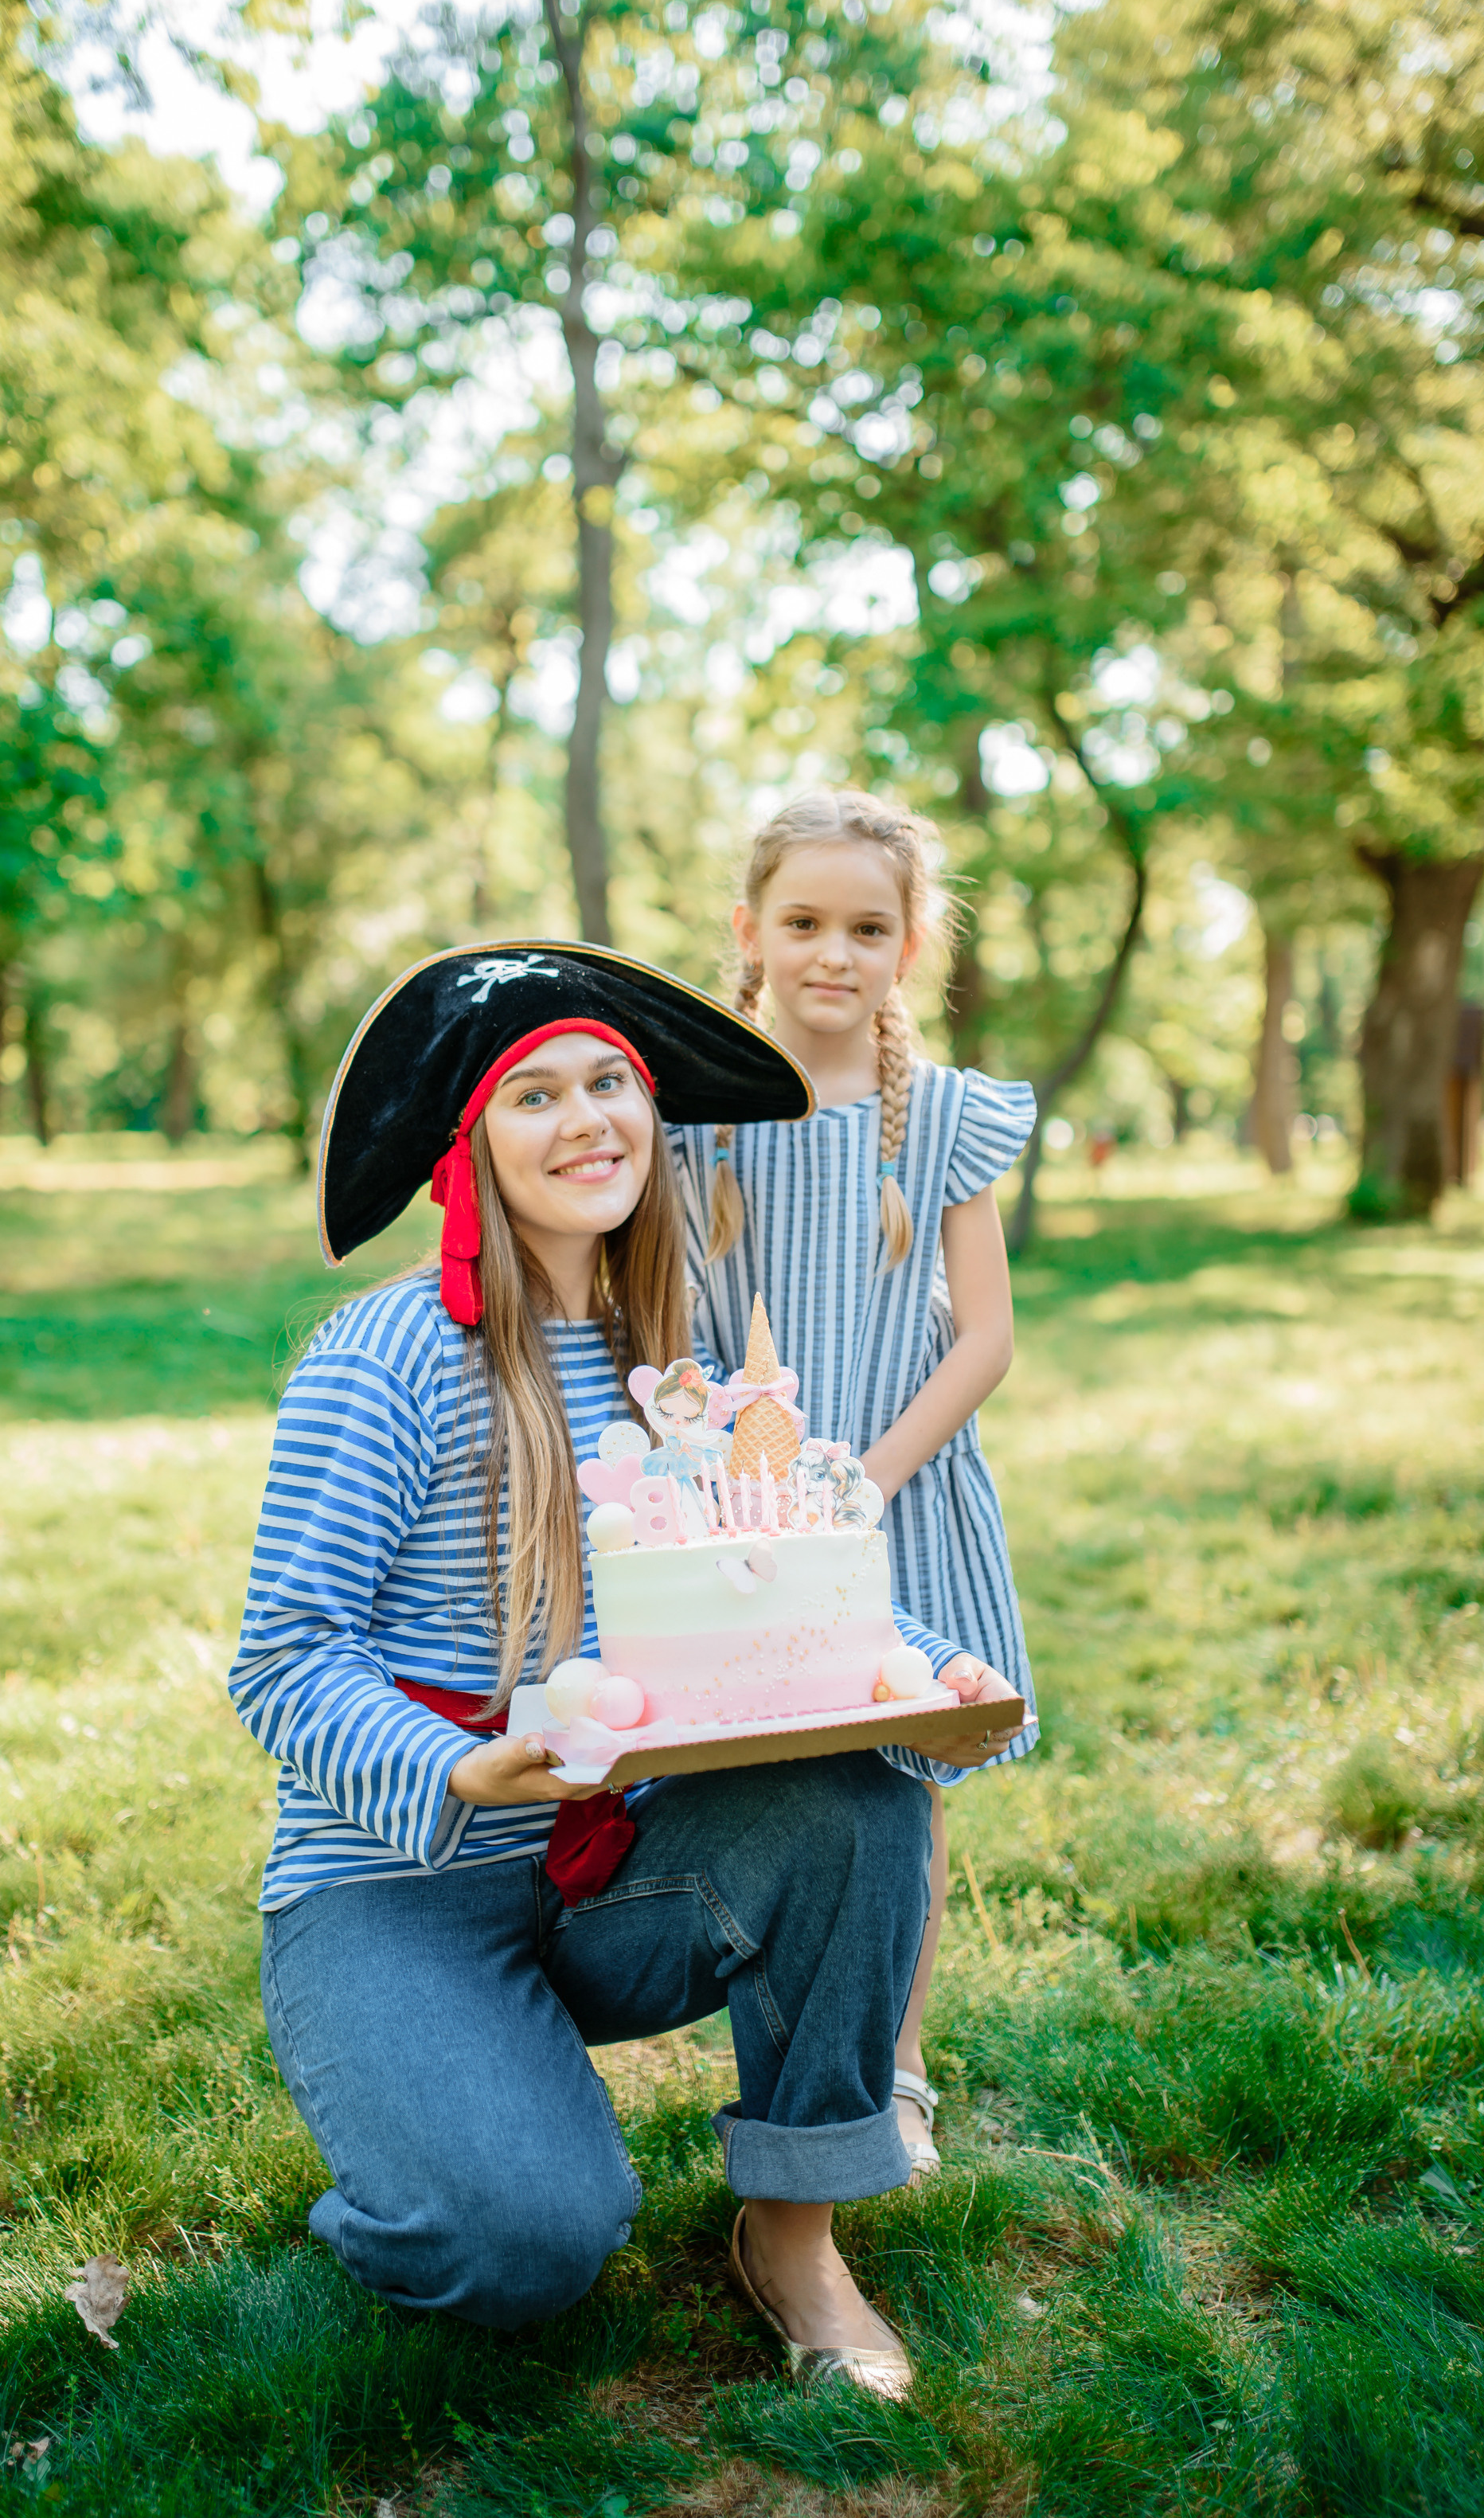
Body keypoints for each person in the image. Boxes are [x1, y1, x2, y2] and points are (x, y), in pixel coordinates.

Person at [228, 940, 1002, 2399]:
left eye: (610, 1084)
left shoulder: (685, 1357)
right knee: (529, 2247)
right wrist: (466, 1763)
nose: (586, 1120)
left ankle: (793, 2232)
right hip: (395, 1886)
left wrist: (919, 1670)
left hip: (610, 1863)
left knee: (861, 1798)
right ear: (472, 1146)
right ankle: (423, 2162)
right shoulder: (384, 1355)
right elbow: (284, 1662)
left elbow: (767, 1570)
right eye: (534, 1096)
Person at [672, 791, 1038, 2179]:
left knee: (899, 1777)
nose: (835, 952)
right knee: (776, 1775)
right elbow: (672, 1324)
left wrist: (864, 1482)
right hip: (739, 1516)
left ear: (911, 945)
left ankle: (897, 2062)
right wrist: (728, 1474)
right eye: (805, 922)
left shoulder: (939, 1115)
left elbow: (988, 1336)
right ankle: (789, 2048)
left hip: (895, 1502)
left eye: (869, 928)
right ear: (750, 932)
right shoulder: (693, 1116)